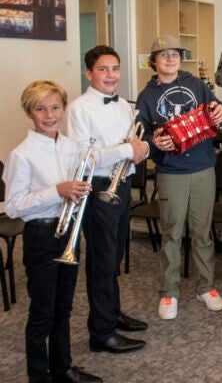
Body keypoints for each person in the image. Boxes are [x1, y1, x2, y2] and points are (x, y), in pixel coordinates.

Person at [3, 81, 102, 382]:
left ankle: (62, 368)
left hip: (68, 231)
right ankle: (39, 376)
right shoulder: (21, 155)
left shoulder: (70, 146)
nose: (50, 115)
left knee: (64, 306)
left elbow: (78, 181)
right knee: (42, 313)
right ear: (30, 113)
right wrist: (56, 191)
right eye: (41, 109)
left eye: (55, 107)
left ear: (63, 108)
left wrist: (78, 189)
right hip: (42, 237)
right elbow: (13, 207)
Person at [136, 35, 222, 320]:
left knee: (202, 231)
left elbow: (217, 113)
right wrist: (154, 143)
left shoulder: (197, 85)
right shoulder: (146, 96)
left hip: (202, 166)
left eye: (175, 53)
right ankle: (169, 291)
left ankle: (206, 287)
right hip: (171, 171)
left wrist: (221, 111)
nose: (170, 58)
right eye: (163, 54)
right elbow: (141, 136)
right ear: (154, 62)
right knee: (172, 232)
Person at [66, 45, 148, 354]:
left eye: (115, 68)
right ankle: (101, 333)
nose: (111, 75)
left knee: (114, 257)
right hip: (96, 187)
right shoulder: (78, 109)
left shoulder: (123, 106)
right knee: (101, 260)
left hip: (122, 184)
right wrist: (128, 150)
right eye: (103, 69)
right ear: (89, 73)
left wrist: (141, 150)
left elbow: (134, 142)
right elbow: (84, 158)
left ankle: (112, 313)